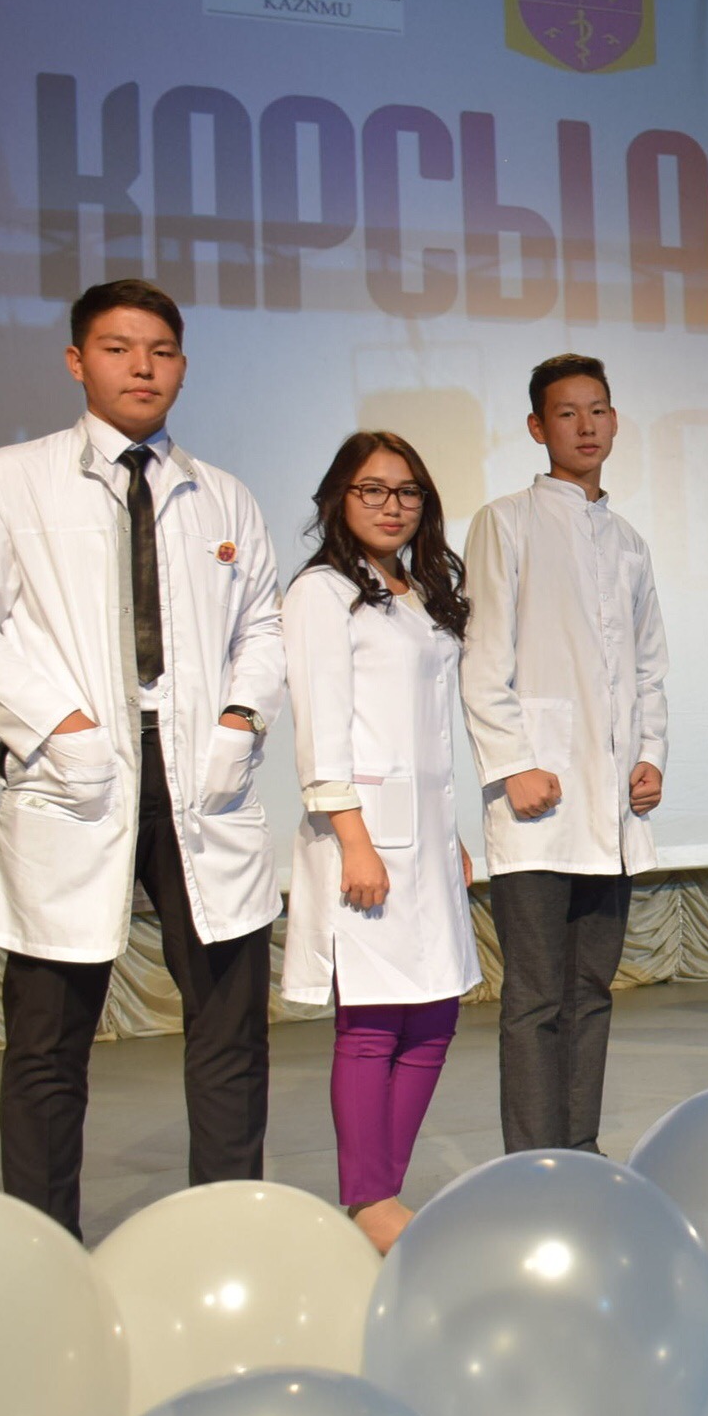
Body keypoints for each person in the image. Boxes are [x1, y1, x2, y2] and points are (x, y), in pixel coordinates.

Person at [0, 278, 282, 1237]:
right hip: (78, 775)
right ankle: (43, 1241)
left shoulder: (222, 493)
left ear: (183, 367)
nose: (142, 367)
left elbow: (264, 624)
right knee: (47, 1037)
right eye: (119, 348)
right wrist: (59, 724)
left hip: (201, 776)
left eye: (161, 350)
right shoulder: (12, 477)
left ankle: (225, 1232)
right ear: (78, 362)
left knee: (231, 1026)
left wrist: (240, 718)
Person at [461, 354, 669, 1154]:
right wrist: (513, 761)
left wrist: (650, 754)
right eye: (567, 412)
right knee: (535, 997)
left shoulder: (629, 541)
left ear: (615, 421)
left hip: (611, 807)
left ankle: (580, 1151)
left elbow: (649, 665)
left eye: (598, 410)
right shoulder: (505, 521)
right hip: (537, 801)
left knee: (591, 989)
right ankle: (532, 1161)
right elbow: (483, 655)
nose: (586, 426)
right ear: (536, 426)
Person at [281, 433, 480, 1251]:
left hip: (427, 833)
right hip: (361, 830)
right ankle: (370, 1200)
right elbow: (321, 728)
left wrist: (449, 832)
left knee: (433, 1015)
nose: (392, 505)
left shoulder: (420, 595)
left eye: (407, 491)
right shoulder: (322, 593)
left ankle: (380, 1196)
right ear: (340, 497)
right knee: (371, 1020)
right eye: (372, 489)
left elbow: (427, 732)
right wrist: (354, 840)